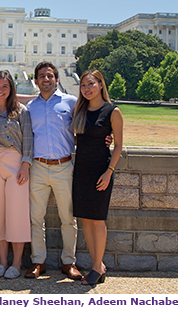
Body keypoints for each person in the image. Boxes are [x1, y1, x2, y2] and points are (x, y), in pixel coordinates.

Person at [25, 61, 82, 280]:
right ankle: (38, 261)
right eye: (41, 76)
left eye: (49, 76)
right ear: (36, 80)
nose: (45, 79)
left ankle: (69, 262)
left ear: (56, 79)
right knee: (35, 218)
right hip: (38, 166)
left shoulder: (71, 102)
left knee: (68, 218)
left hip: (64, 165)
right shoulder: (31, 107)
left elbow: (86, 126)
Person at [71, 69, 123, 286]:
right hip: (81, 171)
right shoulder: (80, 110)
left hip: (101, 171)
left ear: (101, 84)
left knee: (98, 220)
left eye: (91, 84)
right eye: (83, 85)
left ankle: (96, 267)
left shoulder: (112, 111)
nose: (87, 88)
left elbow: (119, 145)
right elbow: (78, 141)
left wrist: (109, 172)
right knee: (86, 220)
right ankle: (98, 266)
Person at [0, 71, 33, 279]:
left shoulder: (21, 111)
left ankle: (17, 262)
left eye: (5, 86)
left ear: (11, 89)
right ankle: (3, 262)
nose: (0, 90)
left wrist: (25, 165)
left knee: (17, 214)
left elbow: (28, 139)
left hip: (15, 163)